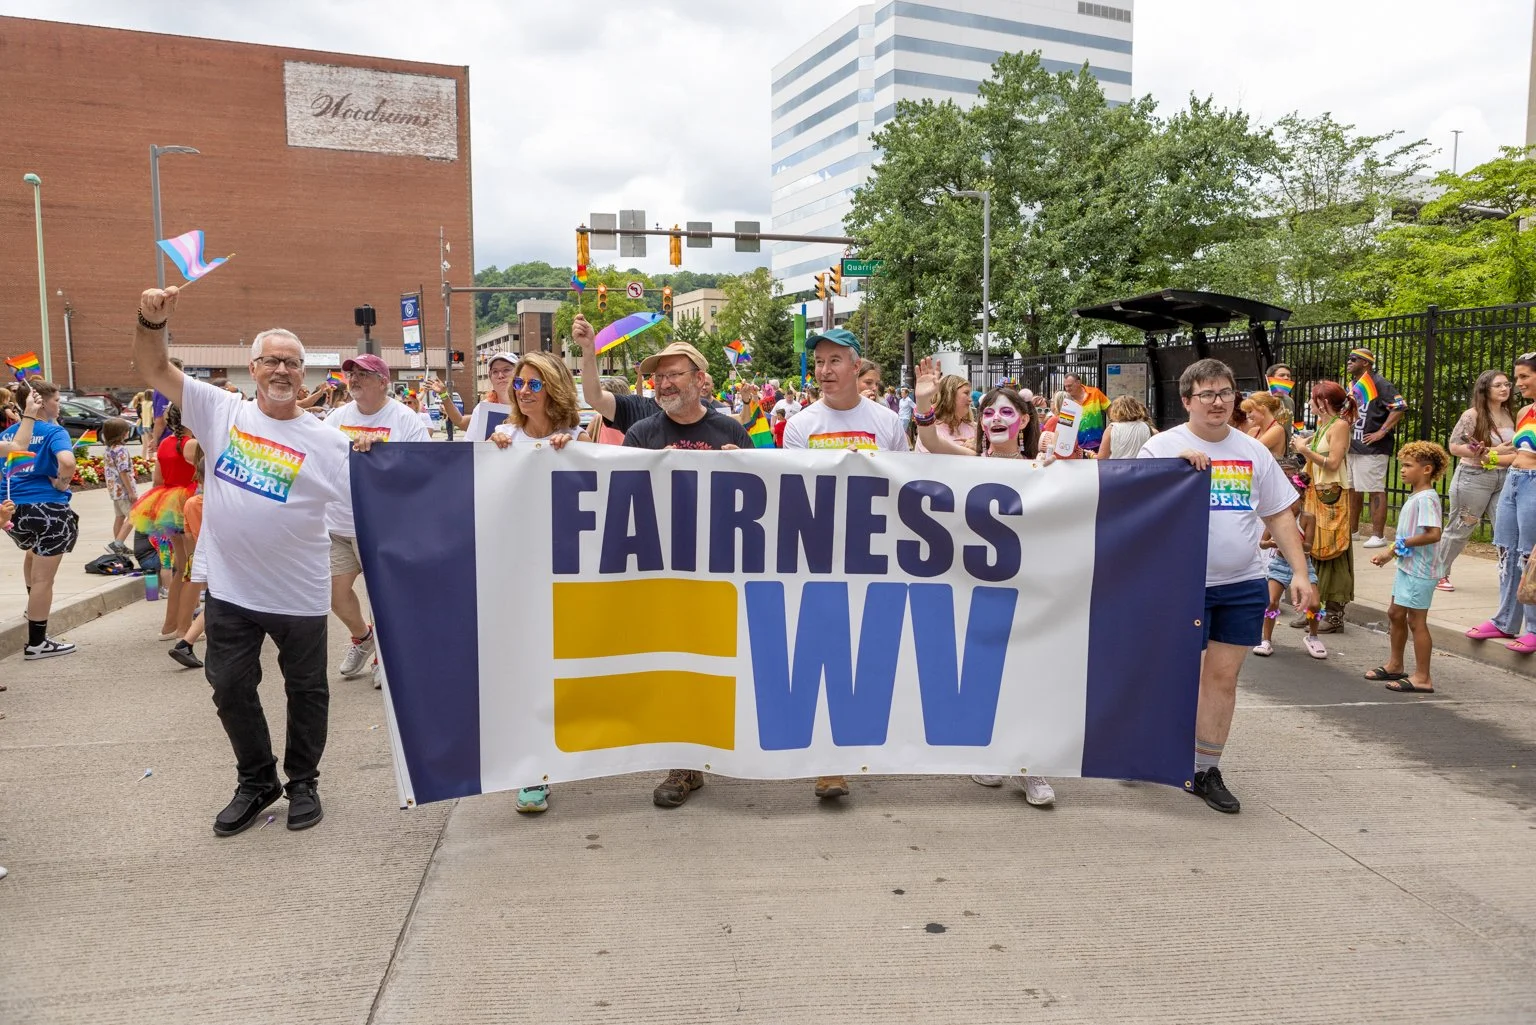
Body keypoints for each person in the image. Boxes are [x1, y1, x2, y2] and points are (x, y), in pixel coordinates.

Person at [134, 285, 353, 836]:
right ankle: (257, 781)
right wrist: (150, 320)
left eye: (292, 363)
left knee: (306, 691)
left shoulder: (328, 442)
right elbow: (154, 368)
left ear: (304, 374)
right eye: (271, 360)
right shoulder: (218, 411)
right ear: (252, 368)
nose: (282, 370)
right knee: (230, 685)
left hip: (300, 591)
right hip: (232, 591)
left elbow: (381, 502)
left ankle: (303, 781)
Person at [1138, 359, 1314, 814]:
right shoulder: (1161, 448)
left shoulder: (1253, 451)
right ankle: (1145, 750)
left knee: (1223, 678)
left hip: (1242, 583)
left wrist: (1299, 572)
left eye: (1225, 393)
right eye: (1206, 395)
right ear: (1186, 401)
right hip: (1179, 585)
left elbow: (1279, 513)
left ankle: (1203, 771)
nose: (1217, 402)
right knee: (1172, 676)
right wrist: (1169, 473)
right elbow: (1133, 507)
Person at [613, 337, 753, 809]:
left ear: (699, 380)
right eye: (659, 375)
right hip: (662, 571)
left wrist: (734, 468)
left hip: (717, 569)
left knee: (718, 662)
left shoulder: (729, 430)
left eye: (674, 374)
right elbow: (621, 500)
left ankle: (720, 745)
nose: (664, 382)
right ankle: (683, 763)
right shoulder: (642, 435)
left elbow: (760, 501)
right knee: (673, 664)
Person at [910, 356, 1054, 807]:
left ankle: (1033, 768)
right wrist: (923, 398)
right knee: (988, 677)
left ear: (1024, 420)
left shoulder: (1046, 468)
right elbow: (929, 438)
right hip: (977, 591)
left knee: (1027, 675)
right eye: (988, 411)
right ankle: (998, 755)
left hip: (1031, 592)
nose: (995, 418)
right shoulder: (970, 461)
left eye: (1006, 412)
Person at [783, 327, 907, 800]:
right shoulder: (801, 425)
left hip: (875, 557)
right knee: (824, 657)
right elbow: (794, 492)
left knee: (872, 655)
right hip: (819, 559)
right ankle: (829, 765)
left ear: (857, 367)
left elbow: (905, 486)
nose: (826, 371)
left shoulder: (887, 422)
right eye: (819, 363)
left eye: (835, 361)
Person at [325, 354, 431, 690]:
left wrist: (385, 453)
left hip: (382, 525)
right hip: (337, 523)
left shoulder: (404, 419)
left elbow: (422, 467)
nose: (354, 379)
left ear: (383, 381)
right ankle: (363, 637)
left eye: (363, 374)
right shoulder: (335, 418)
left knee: (382, 598)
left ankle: (384, 659)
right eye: (351, 374)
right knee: (335, 595)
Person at [1, 378, 79, 659]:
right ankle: (37, 642)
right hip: (49, 509)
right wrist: (62, 483)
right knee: (45, 579)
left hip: (13, 510)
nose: (59, 405)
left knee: (32, 554)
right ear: (43, 402)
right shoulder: (53, 432)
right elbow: (68, 463)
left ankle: (32, 605)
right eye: (57, 400)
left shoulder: (10, 432)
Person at [1365, 441, 1449, 692]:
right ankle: (1395, 664)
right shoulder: (1417, 496)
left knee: (1416, 621)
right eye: (1402, 465)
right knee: (1395, 614)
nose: (1402, 470)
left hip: (1421, 570)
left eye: (1408, 466)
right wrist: (1393, 554)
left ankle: (1423, 677)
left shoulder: (1427, 499)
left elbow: (1434, 534)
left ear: (1426, 470)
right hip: (1408, 566)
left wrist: (1392, 549)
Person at [1468, 353, 1536, 652]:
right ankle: (1505, 621)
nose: (1517, 384)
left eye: (1523, 377)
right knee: (1507, 552)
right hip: (1514, 482)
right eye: (1516, 377)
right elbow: (1518, 455)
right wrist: (1489, 456)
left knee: (1529, 557)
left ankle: (1534, 628)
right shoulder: (1525, 413)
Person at [1437, 370, 1516, 591]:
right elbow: (1454, 446)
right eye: (1498, 385)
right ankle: (1439, 573)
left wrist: (1500, 456)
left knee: (1506, 527)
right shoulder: (1472, 415)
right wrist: (1491, 451)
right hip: (1474, 477)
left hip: (1504, 477)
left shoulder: (1512, 414)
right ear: (1485, 389)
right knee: (1462, 526)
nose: (1504, 389)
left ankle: (1508, 575)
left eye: (1507, 384)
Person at [1290, 382, 1356, 635]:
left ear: (1324, 402)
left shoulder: (1339, 426)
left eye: (1312, 398)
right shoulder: (1324, 426)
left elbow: (1333, 463)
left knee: (1333, 550)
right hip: (1318, 494)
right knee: (1315, 550)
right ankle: (1313, 612)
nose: (1308, 402)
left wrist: (1305, 450)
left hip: (1331, 497)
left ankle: (1335, 613)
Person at [130, 403, 201, 641]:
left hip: (167, 503)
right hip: (189, 504)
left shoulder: (165, 444)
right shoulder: (192, 445)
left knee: (181, 568)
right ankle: (184, 629)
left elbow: (158, 480)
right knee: (192, 570)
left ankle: (170, 626)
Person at [1344, 348, 1407, 548]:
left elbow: (1400, 407)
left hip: (1373, 448)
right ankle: (1352, 531)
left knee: (1374, 489)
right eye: (1349, 359)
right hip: (1353, 445)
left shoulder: (1380, 384)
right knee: (1353, 489)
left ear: (1367, 363)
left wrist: (1382, 431)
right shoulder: (1353, 385)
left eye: (1354, 359)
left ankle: (1378, 535)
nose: (1349, 362)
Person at [1252, 493, 1325, 660]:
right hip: (1280, 564)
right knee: (1271, 601)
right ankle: (1266, 640)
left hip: (1302, 565)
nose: (1290, 506)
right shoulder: (1275, 517)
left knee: (1314, 604)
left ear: (1302, 500)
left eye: (1294, 502)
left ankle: (1313, 636)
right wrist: (1272, 542)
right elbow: (1263, 543)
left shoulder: (1308, 518)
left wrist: (1289, 540)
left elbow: (1308, 546)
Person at [432, 355, 511, 442]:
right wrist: (443, 394)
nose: (500, 375)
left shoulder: (526, 406)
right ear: (490, 378)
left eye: (506, 370)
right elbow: (461, 421)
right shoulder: (484, 408)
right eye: (495, 371)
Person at [102, 416, 139, 557]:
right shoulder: (121, 450)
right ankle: (117, 544)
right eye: (126, 430)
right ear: (122, 433)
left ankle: (119, 545)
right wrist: (131, 492)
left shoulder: (109, 449)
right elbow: (123, 471)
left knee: (119, 517)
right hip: (124, 490)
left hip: (114, 490)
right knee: (133, 516)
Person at [913, 375, 976, 454]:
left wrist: (979, 448)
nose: (970, 399)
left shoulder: (975, 428)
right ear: (950, 395)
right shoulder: (930, 431)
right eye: (966, 393)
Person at [1062, 373, 1110, 454]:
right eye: (1065, 386)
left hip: (1098, 443)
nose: (1067, 389)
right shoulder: (1066, 400)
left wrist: (1113, 427)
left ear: (1078, 383)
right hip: (1077, 447)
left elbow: (1109, 409)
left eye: (1069, 386)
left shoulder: (1095, 393)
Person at [1100, 395, 1154, 459]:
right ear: (1137, 408)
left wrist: (1091, 455)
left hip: (1117, 468)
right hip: (1141, 467)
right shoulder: (1146, 427)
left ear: (1115, 410)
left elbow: (1102, 458)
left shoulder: (1111, 429)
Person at [1242, 392, 1288, 463]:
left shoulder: (1277, 430)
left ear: (1263, 409)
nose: (1247, 416)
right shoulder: (1253, 430)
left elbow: (1250, 451)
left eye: (1250, 411)